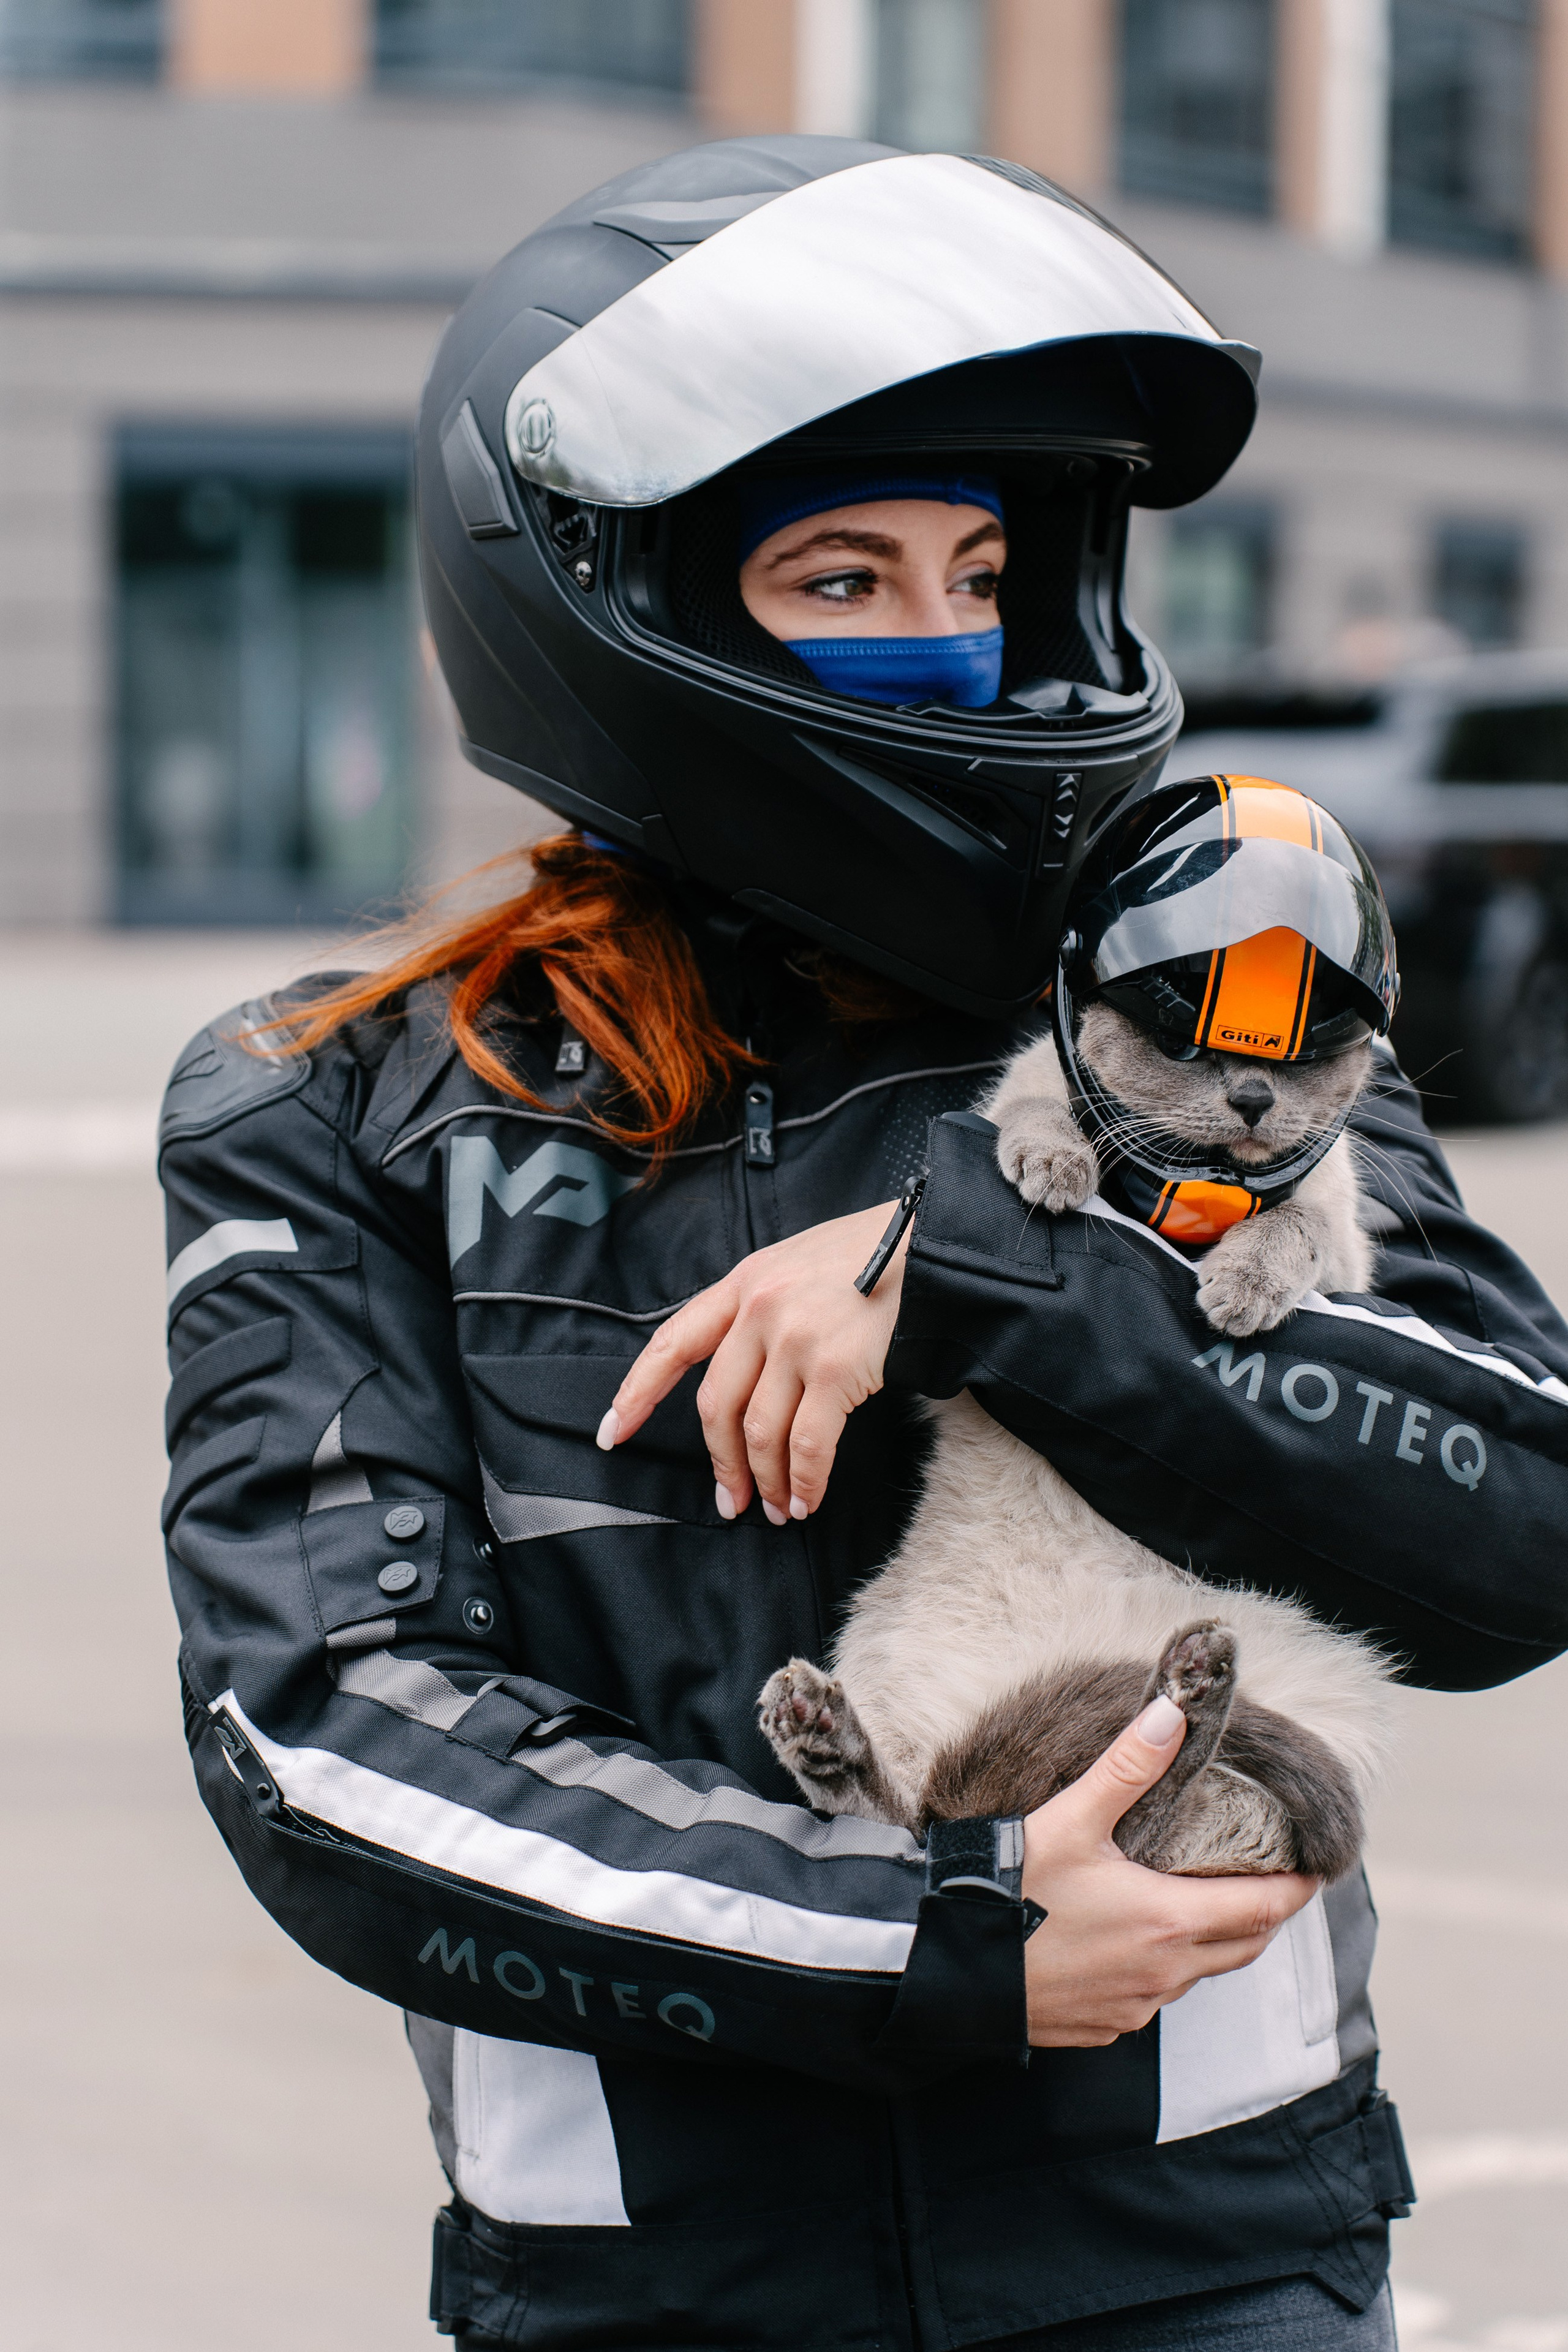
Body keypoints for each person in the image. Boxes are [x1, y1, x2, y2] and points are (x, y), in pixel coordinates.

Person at [159, 138, 1568, 2349]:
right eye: (841, 577)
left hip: (1198, 2267)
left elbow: (1518, 1523)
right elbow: (327, 1732)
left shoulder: (1178, 1007)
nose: (938, 642)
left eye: (977, 570)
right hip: (665, 2287)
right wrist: (931, 1935)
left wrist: (997, 1277)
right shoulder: (343, 1103)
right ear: (644, 604)